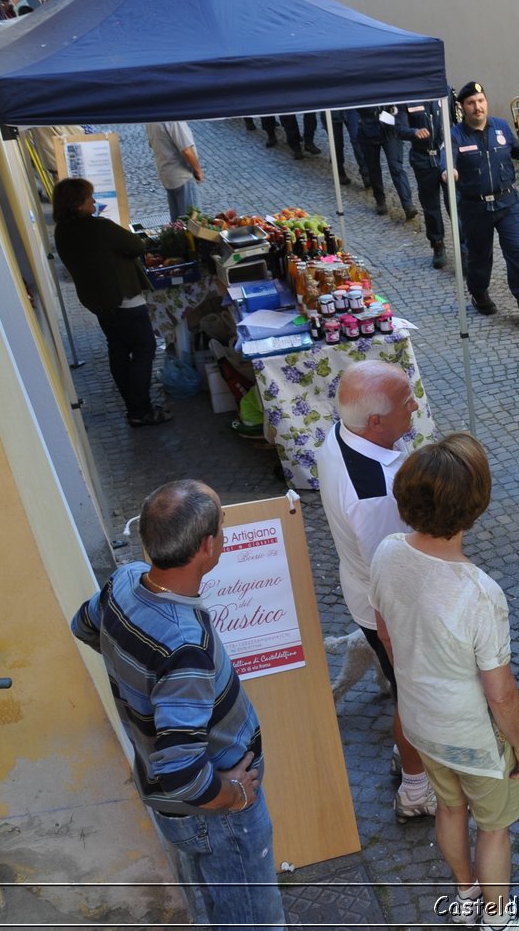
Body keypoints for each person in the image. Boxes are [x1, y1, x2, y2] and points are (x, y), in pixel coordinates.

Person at [71, 480, 286, 929]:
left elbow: (85, 624)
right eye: (222, 523)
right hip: (218, 816)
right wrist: (234, 795)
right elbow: (181, 772)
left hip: (178, 809)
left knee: (216, 906)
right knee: (252, 921)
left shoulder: (125, 580)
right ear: (207, 547)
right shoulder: (184, 647)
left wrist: (136, 677)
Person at [370, 434, 519, 931]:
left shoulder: (387, 552)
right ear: (474, 505)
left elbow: (386, 632)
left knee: (449, 808)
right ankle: (499, 920)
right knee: (494, 829)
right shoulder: (479, 592)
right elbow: (501, 692)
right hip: (472, 734)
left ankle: (467, 894)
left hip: (418, 720)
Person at [315, 362, 436, 824]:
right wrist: (394, 637)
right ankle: (414, 785)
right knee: (413, 695)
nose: (415, 406)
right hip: (389, 610)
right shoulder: (376, 496)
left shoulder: (341, 434)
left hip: (363, 591)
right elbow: (391, 575)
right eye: (407, 403)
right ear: (376, 423)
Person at [52, 178, 169, 427]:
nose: (93, 201)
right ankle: (140, 410)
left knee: (117, 350)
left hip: (98, 302)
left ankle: (132, 406)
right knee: (143, 349)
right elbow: (136, 245)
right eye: (89, 198)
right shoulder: (99, 227)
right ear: (77, 204)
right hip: (123, 299)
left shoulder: (62, 231)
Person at [444, 82, 519, 322]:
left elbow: (515, 148)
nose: (478, 107)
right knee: (479, 255)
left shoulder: (502, 126)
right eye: (471, 103)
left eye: (481, 101)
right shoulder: (455, 135)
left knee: (518, 250)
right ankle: (478, 292)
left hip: (508, 202)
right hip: (475, 206)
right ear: (462, 107)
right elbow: (446, 161)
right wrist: (448, 172)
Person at [404, 100, 450, 268]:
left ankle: (464, 247)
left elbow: (455, 121)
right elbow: (398, 128)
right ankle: (437, 244)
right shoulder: (408, 97)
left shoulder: (445, 91)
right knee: (430, 205)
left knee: (455, 203)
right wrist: (413, 131)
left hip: (446, 155)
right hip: (422, 158)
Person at [358, 105, 418, 221]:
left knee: (396, 167)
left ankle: (408, 205)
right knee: (373, 168)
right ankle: (380, 200)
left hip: (391, 128)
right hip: (368, 128)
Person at [145, 120, 203, 222]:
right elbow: (186, 150)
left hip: (167, 174)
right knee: (193, 223)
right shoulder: (174, 120)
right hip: (182, 176)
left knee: (177, 224)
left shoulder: (151, 118)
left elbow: (151, 143)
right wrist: (198, 170)